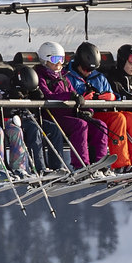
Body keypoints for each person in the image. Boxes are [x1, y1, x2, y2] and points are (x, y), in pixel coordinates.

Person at [72, 42, 132, 168]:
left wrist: (113, 97)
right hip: (81, 115)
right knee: (113, 120)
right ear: (78, 64)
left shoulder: (99, 77)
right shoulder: (69, 76)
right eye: (86, 69)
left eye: (92, 70)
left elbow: (113, 94)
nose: (88, 73)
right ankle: (119, 164)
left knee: (126, 118)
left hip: (99, 112)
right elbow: (67, 95)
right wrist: (81, 98)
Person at [32, 41, 91, 169]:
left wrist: (87, 110)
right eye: (55, 59)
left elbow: (74, 94)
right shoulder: (40, 76)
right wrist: (69, 96)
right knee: (80, 125)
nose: (59, 63)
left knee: (97, 125)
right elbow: (47, 95)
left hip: (66, 115)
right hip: (51, 116)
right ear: (45, 60)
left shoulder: (64, 77)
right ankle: (80, 165)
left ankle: (100, 164)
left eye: (62, 59)